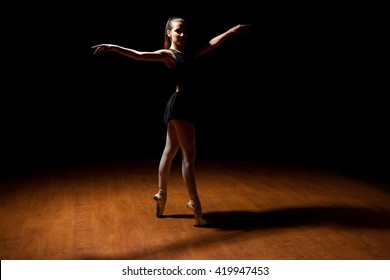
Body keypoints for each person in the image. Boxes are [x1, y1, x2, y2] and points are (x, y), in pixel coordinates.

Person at [91, 17, 251, 226]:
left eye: (185, 31)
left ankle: (161, 194)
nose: (183, 34)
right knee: (188, 157)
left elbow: (211, 44)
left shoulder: (189, 54)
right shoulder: (169, 55)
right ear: (169, 33)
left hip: (179, 105)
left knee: (170, 150)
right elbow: (140, 56)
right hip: (182, 105)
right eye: (178, 31)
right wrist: (113, 47)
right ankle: (195, 202)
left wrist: (230, 31)